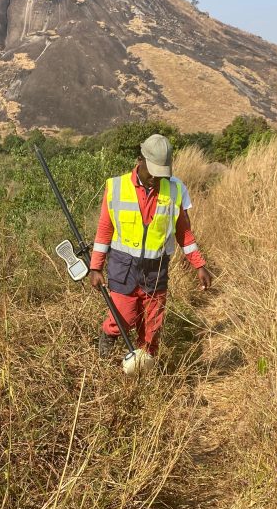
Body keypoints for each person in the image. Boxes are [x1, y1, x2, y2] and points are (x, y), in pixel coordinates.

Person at [90, 134, 212, 358]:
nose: (155, 180)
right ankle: (108, 336)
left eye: (161, 175)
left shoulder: (174, 190)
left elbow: (183, 232)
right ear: (140, 159)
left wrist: (199, 265)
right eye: (152, 172)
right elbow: (104, 230)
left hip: (156, 272)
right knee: (123, 318)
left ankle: (144, 369)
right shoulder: (116, 187)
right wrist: (95, 267)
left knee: (152, 329)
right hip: (123, 269)